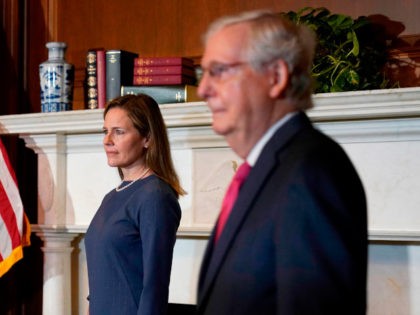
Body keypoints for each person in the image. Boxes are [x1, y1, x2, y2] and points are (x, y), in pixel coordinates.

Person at [196, 9, 367, 315]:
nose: (203, 89)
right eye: (204, 72)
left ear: (275, 77)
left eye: (219, 71)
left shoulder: (312, 172)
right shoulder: (264, 170)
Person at [85, 94, 185, 315]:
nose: (107, 139)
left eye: (118, 131)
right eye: (105, 131)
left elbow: (155, 285)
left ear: (147, 138)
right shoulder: (112, 197)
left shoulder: (155, 195)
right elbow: (102, 278)